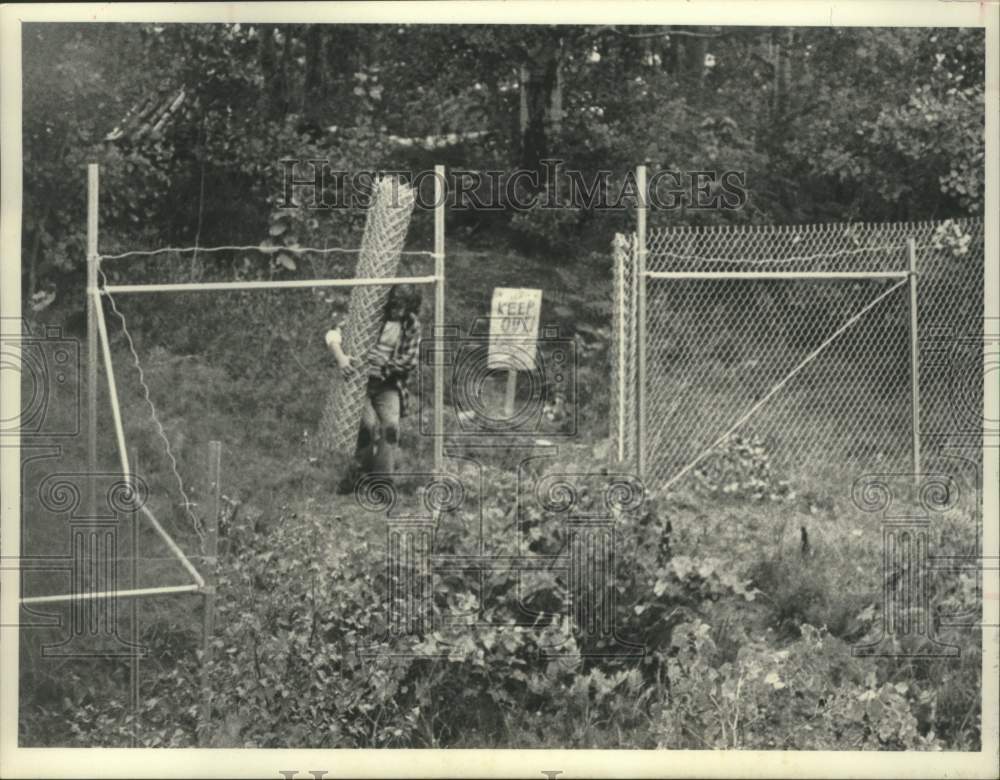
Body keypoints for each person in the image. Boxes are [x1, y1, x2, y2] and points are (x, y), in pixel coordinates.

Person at [332, 284, 422, 493]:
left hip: (388, 383)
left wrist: (385, 363)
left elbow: (409, 361)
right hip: (360, 381)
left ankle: (382, 483)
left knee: (391, 427)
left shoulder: (411, 325)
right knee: (366, 425)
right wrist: (341, 358)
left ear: (410, 307)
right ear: (389, 303)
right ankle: (357, 474)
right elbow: (334, 332)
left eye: (403, 308)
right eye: (394, 306)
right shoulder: (372, 316)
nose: (397, 312)